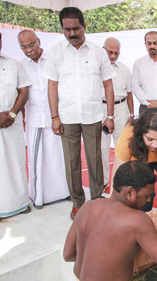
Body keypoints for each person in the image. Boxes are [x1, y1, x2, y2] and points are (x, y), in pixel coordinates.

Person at [62, 161, 157, 281]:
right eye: (147, 195)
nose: (148, 201)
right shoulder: (136, 220)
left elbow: (68, 255)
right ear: (129, 192)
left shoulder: (88, 206)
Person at [43, 7, 116, 220]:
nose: (72, 33)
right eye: (67, 29)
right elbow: (52, 86)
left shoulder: (98, 52)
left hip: (93, 115)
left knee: (95, 160)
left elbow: (108, 85)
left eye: (76, 28)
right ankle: (77, 203)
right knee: (71, 161)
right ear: (62, 29)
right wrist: (54, 116)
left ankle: (95, 201)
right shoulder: (56, 52)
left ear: (84, 26)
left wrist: (110, 116)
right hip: (67, 117)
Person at [0, 25, 31, 224]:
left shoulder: (13, 64)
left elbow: (24, 91)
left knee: (16, 162)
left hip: (13, 122)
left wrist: (11, 114)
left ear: (2, 43)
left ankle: (20, 204)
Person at [18, 30, 69, 208]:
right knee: (37, 158)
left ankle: (64, 192)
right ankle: (38, 197)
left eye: (31, 44)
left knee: (60, 156)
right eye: (24, 47)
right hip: (34, 119)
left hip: (56, 117)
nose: (29, 50)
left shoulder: (54, 60)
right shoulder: (21, 66)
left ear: (39, 41)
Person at [111, 108, 157, 212]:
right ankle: (141, 215)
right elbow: (118, 173)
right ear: (141, 134)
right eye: (150, 139)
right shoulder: (129, 134)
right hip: (140, 159)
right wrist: (112, 207)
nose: (155, 145)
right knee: (142, 190)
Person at [101, 37, 134, 189]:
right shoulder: (96, 68)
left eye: (116, 53)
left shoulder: (125, 69)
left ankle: (120, 180)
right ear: (103, 50)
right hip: (101, 109)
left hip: (121, 108)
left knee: (123, 145)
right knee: (102, 147)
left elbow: (129, 93)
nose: (113, 56)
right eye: (110, 52)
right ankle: (104, 181)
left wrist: (131, 114)